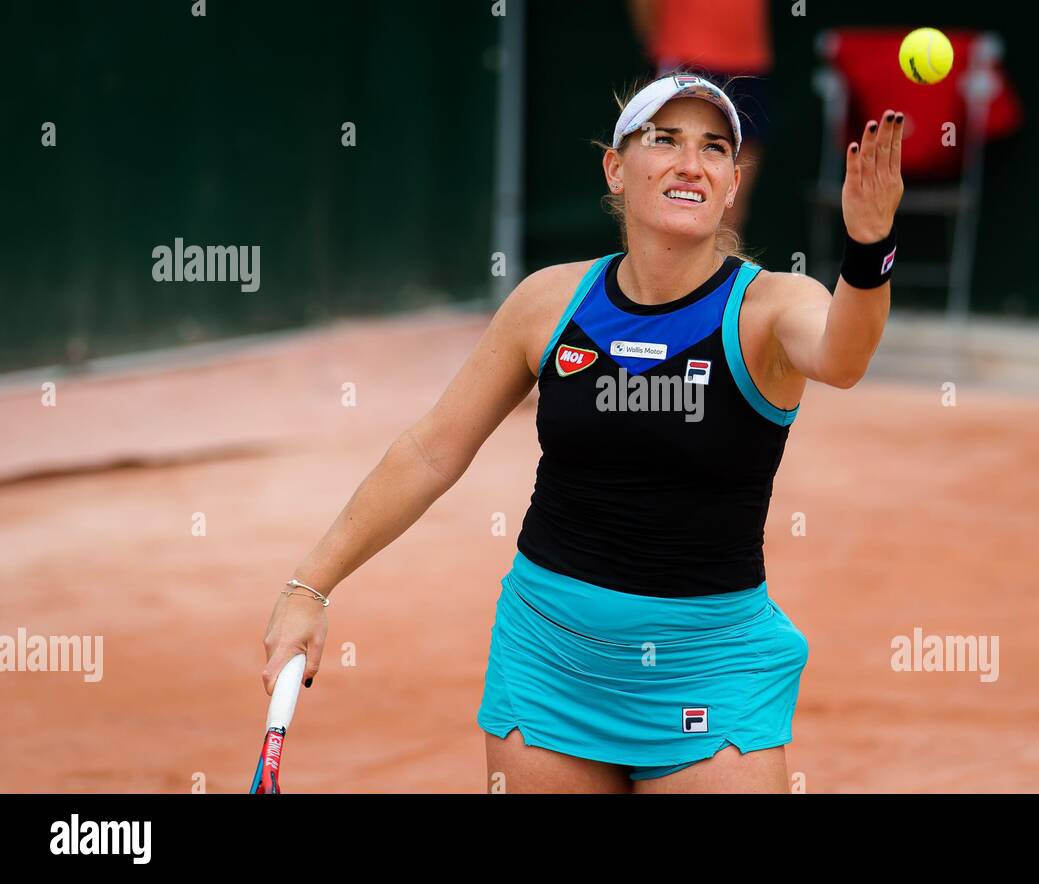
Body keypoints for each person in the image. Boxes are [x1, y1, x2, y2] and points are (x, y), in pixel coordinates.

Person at [260, 72, 904, 794]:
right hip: (550, 661)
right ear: (616, 169)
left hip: (712, 667)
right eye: (664, 140)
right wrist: (308, 586)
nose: (691, 162)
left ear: (730, 186)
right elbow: (430, 449)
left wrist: (869, 245)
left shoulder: (771, 307)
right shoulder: (548, 302)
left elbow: (845, 359)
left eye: (714, 148)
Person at [629, 0, 773, 237]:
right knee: (663, 200)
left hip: (750, 63)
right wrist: (657, 40)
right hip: (683, 53)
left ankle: (722, 272)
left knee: (730, 206)